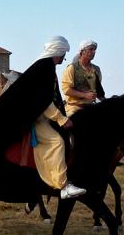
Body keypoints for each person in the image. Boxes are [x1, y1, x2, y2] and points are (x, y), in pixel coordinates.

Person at [24, 37, 86, 198]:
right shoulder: (44, 68)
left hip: (41, 114)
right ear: (57, 51)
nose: (63, 57)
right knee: (56, 142)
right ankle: (63, 185)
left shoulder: (45, 66)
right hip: (35, 118)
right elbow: (42, 99)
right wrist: (61, 118)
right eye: (63, 53)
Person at [61, 39, 105, 118]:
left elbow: (99, 92)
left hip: (90, 108)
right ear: (82, 51)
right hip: (74, 108)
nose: (94, 52)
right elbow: (66, 89)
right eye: (91, 49)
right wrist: (85, 95)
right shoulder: (72, 68)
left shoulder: (96, 69)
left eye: (94, 50)